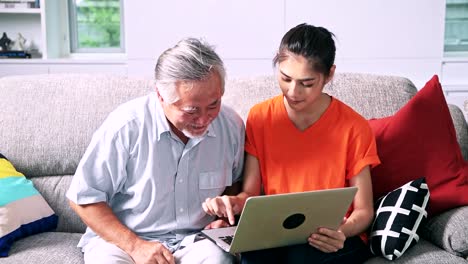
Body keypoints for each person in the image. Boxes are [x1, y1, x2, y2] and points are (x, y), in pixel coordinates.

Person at [202, 23, 381, 263]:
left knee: (301, 257)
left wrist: (342, 232)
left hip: (331, 237)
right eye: (286, 78)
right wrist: (232, 204)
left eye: (307, 83)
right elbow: (250, 195)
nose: (293, 92)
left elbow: (364, 210)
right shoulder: (261, 117)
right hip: (275, 235)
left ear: (329, 74)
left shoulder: (354, 127)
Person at [67, 37, 245, 264]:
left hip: (196, 241)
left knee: (219, 260)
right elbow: (84, 198)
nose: (203, 119)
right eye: (191, 110)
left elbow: (235, 182)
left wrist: (226, 218)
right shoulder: (126, 126)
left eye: (213, 105)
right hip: (124, 241)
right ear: (161, 96)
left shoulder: (231, 125)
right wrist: (135, 246)